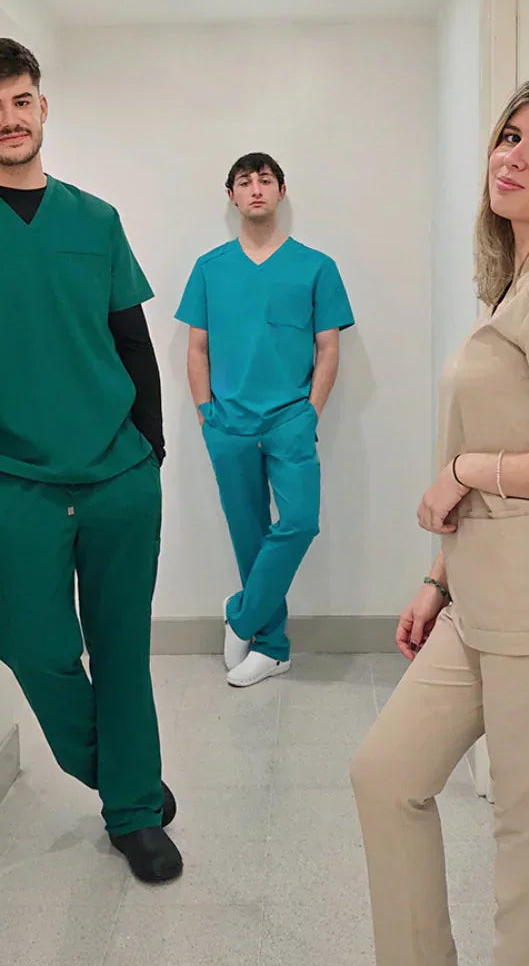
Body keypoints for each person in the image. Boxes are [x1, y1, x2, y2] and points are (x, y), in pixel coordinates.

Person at [350, 71, 529, 966]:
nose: (513, 157)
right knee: (385, 776)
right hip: (486, 593)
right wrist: (438, 577)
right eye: (511, 136)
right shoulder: (519, 283)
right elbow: (508, 426)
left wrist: (468, 471)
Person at [0, 37, 181, 883]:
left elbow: (132, 342)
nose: (10, 118)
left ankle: (133, 817)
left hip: (118, 476)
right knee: (31, 646)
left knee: (122, 651)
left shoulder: (95, 220)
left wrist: (150, 451)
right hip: (15, 482)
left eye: (21, 101)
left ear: (41, 106)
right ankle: (125, 776)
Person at [175, 153, 355, 687]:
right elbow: (197, 349)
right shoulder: (210, 268)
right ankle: (273, 647)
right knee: (248, 535)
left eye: (266, 180)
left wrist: (310, 412)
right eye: (245, 182)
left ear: (281, 191)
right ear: (231, 196)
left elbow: (328, 348)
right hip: (227, 424)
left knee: (299, 522)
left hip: (290, 420)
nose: (256, 189)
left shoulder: (316, 267)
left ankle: (242, 614)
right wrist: (207, 416)